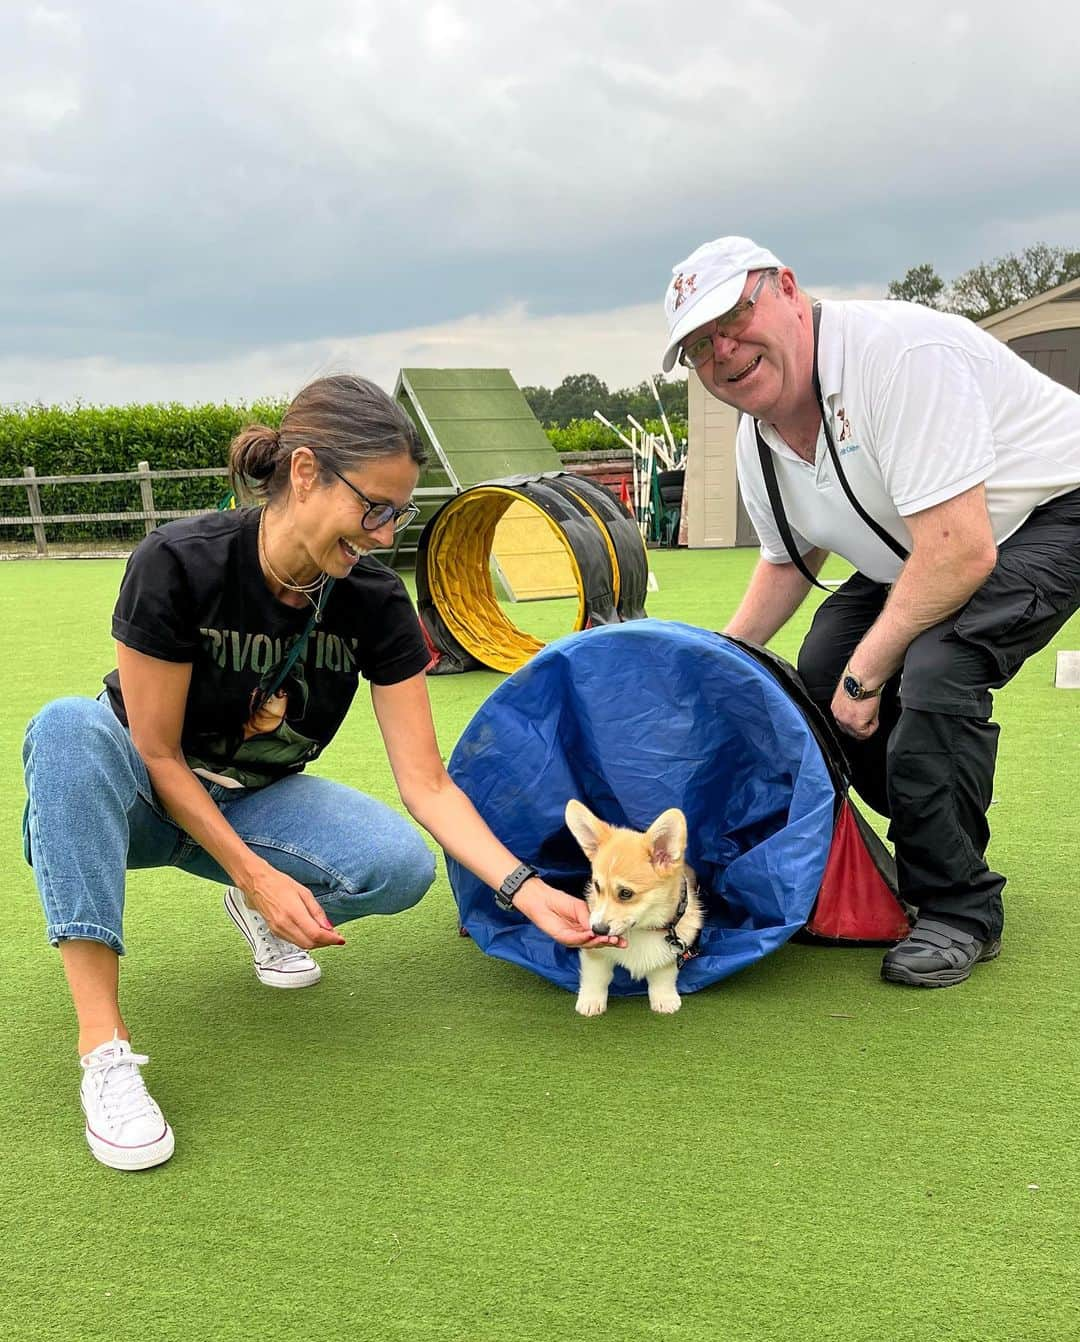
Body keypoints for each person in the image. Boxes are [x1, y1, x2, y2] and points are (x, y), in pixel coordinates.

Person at [21, 374, 623, 1172]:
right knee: (65, 728)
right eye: (373, 508)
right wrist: (259, 875)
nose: (382, 535)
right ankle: (104, 1050)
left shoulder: (373, 601)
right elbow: (160, 755)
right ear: (304, 472)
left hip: (255, 802)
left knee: (400, 865)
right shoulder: (178, 563)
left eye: (397, 515)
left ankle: (252, 904)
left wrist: (523, 887)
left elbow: (426, 784)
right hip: (135, 790)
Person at [660, 235, 1080, 989]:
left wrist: (866, 678)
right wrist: (711, 667)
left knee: (931, 672)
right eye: (698, 345)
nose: (722, 351)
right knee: (818, 670)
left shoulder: (896, 357)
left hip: (1047, 514)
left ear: (787, 289)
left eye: (734, 317)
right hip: (925, 543)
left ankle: (958, 907)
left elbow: (960, 551)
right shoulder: (758, 433)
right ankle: (931, 830)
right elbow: (790, 561)